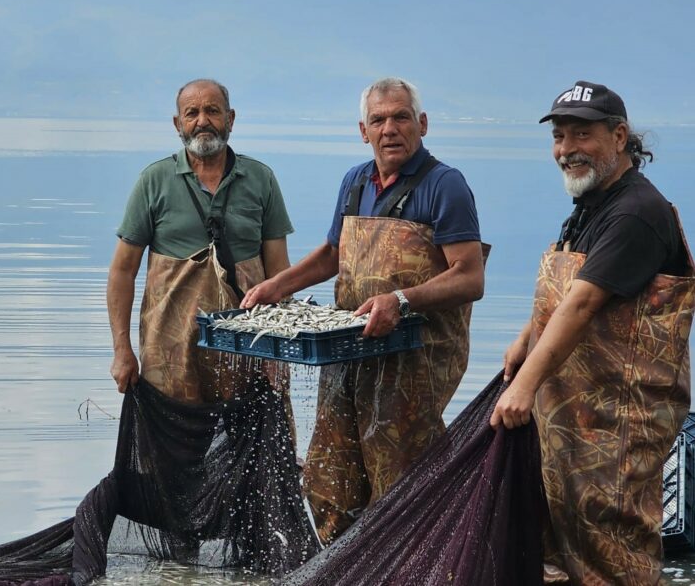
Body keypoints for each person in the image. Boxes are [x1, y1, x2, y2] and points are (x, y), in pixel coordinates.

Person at [241, 77, 486, 544]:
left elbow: (469, 277)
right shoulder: (354, 182)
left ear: (423, 124)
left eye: (400, 117)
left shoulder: (445, 185)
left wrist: (401, 300)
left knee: (402, 486)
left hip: (414, 365)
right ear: (363, 130)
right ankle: (343, 565)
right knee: (331, 479)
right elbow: (333, 255)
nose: (389, 128)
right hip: (348, 359)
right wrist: (277, 286)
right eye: (378, 119)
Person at [490, 80, 694, 584]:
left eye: (582, 134)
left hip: (620, 419)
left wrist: (523, 386)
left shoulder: (636, 212)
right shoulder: (590, 207)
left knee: (611, 548)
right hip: (575, 417)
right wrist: (524, 338)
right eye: (559, 137)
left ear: (620, 136)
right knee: (560, 551)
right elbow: (566, 290)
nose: (566, 150)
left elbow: (581, 304)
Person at [107, 78, 293, 403]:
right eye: (191, 113)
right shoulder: (153, 181)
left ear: (231, 119)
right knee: (170, 449)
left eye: (212, 111)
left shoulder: (261, 179)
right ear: (178, 124)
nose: (202, 121)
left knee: (252, 445)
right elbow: (122, 271)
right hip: (168, 354)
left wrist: (279, 350)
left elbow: (279, 272)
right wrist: (122, 350)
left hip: (248, 348)